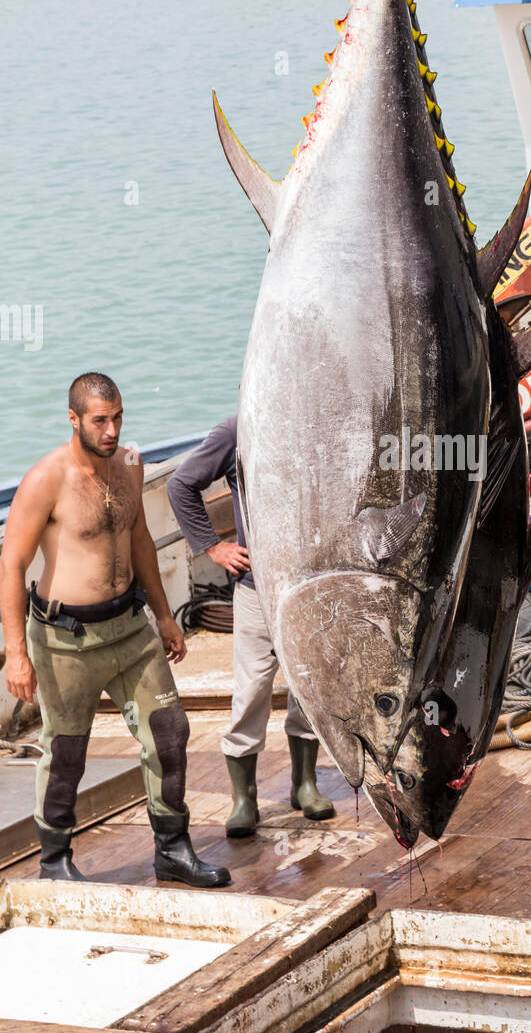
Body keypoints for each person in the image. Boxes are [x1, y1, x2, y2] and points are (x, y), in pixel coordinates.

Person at [0, 373, 230, 887]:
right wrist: (16, 653)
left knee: (170, 733)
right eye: (100, 420)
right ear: (74, 419)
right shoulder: (45, 480)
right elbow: (10, 565)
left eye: (118, 417)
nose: (111, 429)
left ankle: (173, 849)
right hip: (66, 641)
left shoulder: (129, 464)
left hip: (130, 629)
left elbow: (143, 540)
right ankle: (55, 860)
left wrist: (166, 615)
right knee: (67, 752)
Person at [167, 417, 334, 836]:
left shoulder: (320, 423)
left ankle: (305, 783)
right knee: (251, 691)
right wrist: (212, 546)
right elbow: (181, 485)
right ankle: (245, 798)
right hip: (256, 590)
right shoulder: (236, 430)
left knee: (309, 688)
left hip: (311, 586)